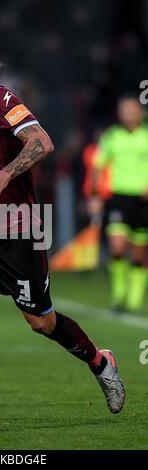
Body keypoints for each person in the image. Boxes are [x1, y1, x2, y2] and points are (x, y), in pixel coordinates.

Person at [0, 30, 125, 414]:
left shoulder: (3, 101)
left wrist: (4, 174)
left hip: (16, 229)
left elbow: (41, 142)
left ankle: (100, 361)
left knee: (40, 322)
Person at [91, 96, 148, 313]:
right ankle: (118, 295)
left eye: (132, 110)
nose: (128, 114)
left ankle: (134, 300)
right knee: (117, 247)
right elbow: (98, 165)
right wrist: (95, 195)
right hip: (119, 197)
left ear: (139, 112)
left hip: (143, 201)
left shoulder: (146, 135)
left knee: (139, 253)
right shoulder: (111, 136)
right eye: (124, 110)